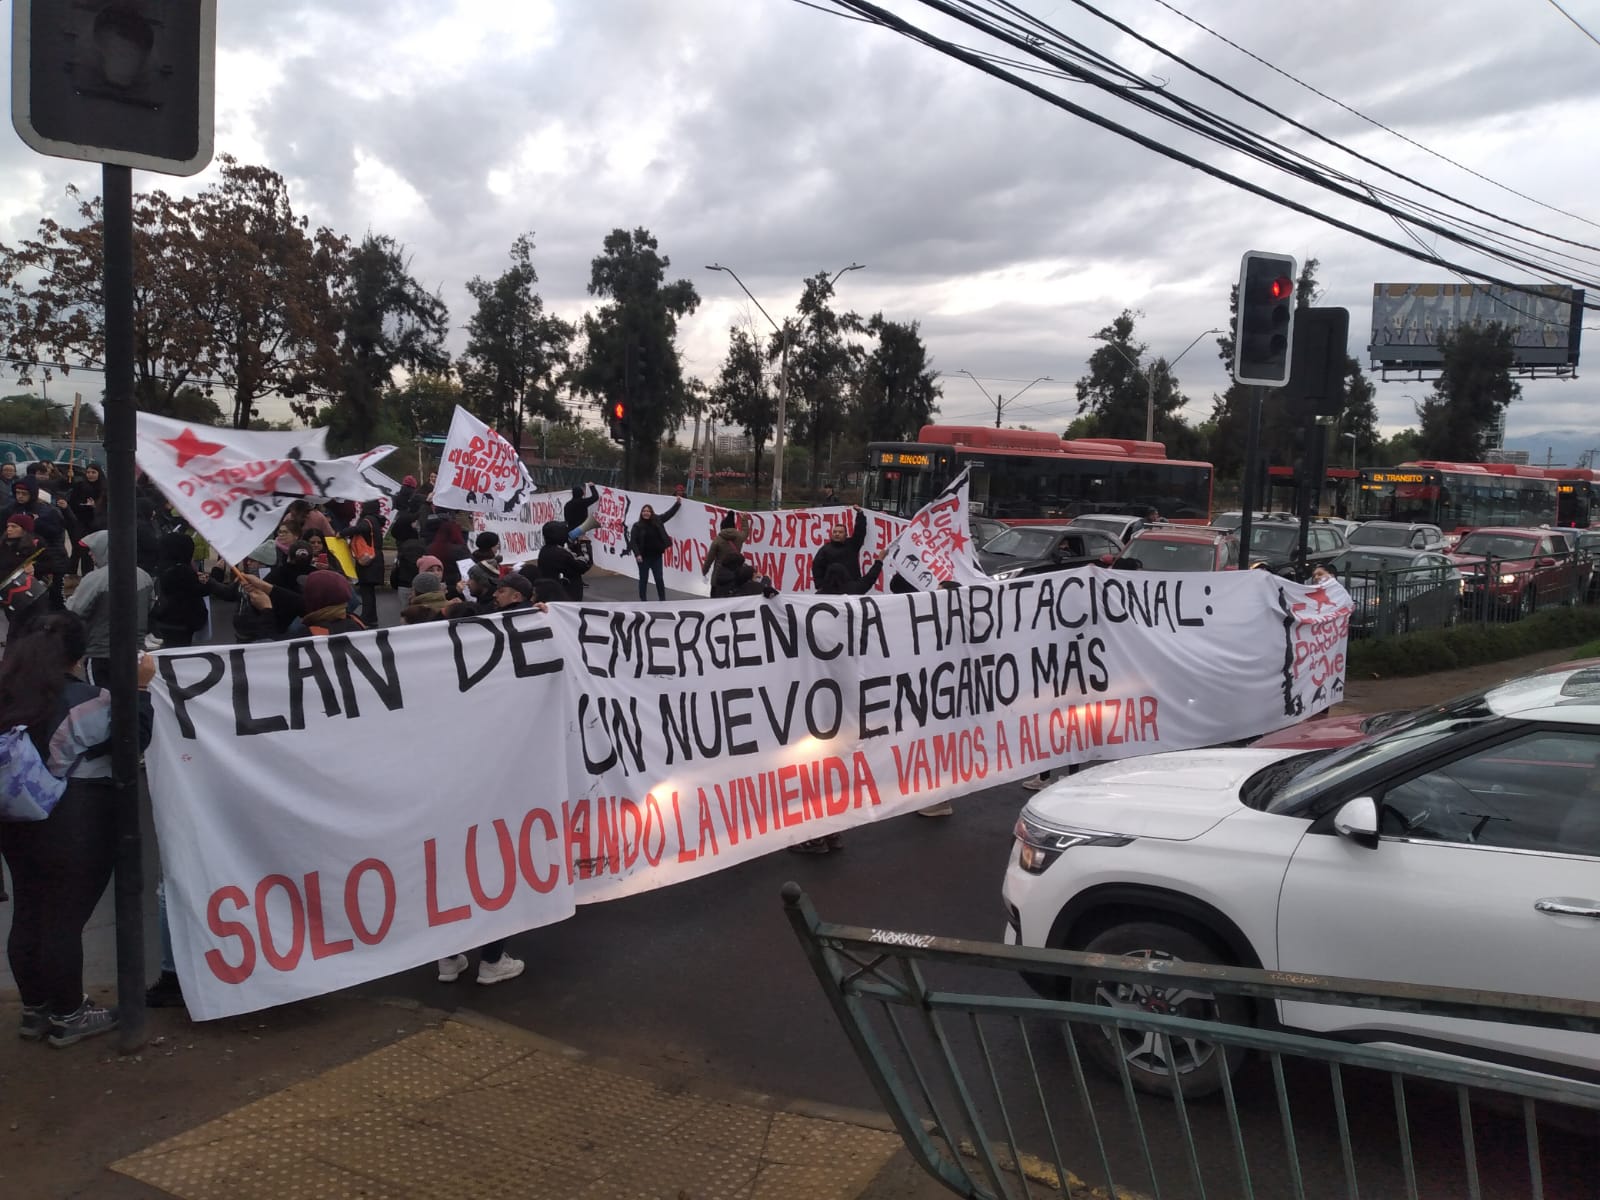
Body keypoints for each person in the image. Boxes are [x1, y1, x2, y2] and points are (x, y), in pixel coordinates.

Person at [0, 614, 155, 1046]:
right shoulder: (89, 702)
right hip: (76, 817)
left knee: (30, 911)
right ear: (79, 656)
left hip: (15, 819)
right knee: (64, 920)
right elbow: (134, 737)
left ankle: (36, 1011)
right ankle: (70, 1014)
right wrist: (140, 689)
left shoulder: (9, 696)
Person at [66, 530, 154, 685]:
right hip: (135, 650)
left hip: (101, 652)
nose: (90, 555)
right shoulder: (143, 576)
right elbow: (150, 606)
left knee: (102, 699)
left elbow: (74, 611)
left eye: (93, 550)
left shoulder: (95, 579)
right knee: (132, 698)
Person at [149, 532, 208, 648]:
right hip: (183, 622)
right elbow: (200, 590)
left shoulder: (163, 568)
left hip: (164, 619)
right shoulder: (182, 572)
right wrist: (215, 574)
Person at [627, 500, 681, 601]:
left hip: (656, 557)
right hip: (643, 558)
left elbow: (668, 514)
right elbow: (633, 542)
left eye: (648, 511)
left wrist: (677, 504)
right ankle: (643, 601)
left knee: (659, 579)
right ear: (641, 513)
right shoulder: (637, 526)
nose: (646, 512)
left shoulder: (657, 521)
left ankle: (662, 600)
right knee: (643, 579)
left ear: (651, 513)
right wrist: (637, 554)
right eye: (644, 511)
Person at [347, 498, 387, 628]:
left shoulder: (367, 520)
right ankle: (371, 617)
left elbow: (359, 529)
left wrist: (342, 533)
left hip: (368, 560)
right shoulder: (376, 520)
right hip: (376, 559)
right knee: (369, 591)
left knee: (366, 591)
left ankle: (367, 618)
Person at [812, 508, 867, 592]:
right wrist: (819, 585)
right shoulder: (825, 549)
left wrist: (860, 514)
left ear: (846, 534)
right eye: (835, 532)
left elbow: (860, 531)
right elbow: (817, 567)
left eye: (840, 532)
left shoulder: (852, 545)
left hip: (852, 587)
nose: (837, 534)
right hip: (832, 589)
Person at [537, 520, 592, 601]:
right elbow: (584, 565)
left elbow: (570, 556)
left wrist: (575, 545)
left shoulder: (546, 550)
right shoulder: (560, 554)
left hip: (553, 595)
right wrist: (584, 544)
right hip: (565, 598)